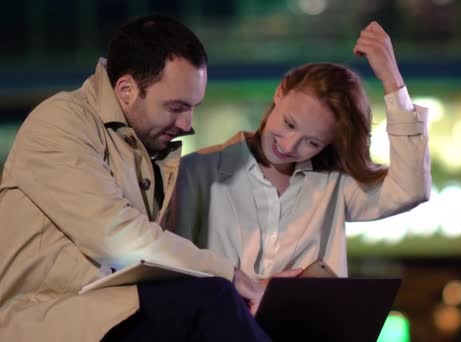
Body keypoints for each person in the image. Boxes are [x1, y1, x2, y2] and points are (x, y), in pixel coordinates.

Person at [0, 15, 271, 341]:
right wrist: (230, 274)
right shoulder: (60, 122)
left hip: (107, 310)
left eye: (193, 108)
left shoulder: (145, 147)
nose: (187, 123)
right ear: (126, 90)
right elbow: (114, 235)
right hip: (49, 319)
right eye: (175, 107)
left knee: (243, 310)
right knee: (214, 297)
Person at [169, 21, 431, 279]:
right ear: (280, 91)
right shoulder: (196, 172)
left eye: (312, 142)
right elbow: (174, 271)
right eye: (289, 123)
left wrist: (391, 78)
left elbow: (410, 189)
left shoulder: (335, 186)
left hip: (315, 323)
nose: (290, 145)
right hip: (221, 322)